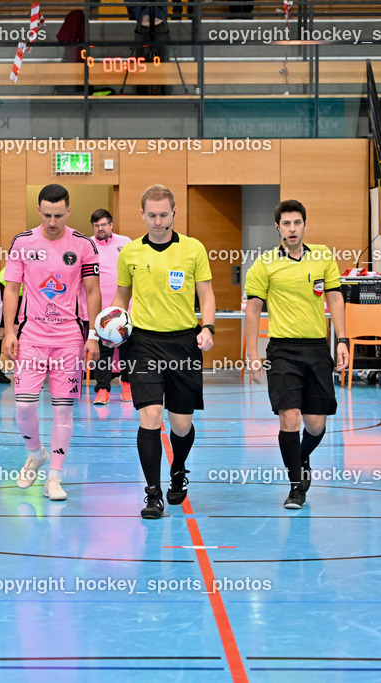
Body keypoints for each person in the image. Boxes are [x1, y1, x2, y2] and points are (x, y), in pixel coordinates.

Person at [110, 185, 215, 519]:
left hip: (183, 342)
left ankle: (178, 470)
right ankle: (152, 494)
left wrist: (208, 327)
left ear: (174, 213)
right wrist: (111, 323)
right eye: (151, 215)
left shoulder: (193, 249)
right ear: (142, 214)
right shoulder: (130, 253)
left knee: (181, 424)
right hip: (142, 343)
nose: (158, 221)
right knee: (150, 416)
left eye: (163, 215)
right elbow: (121, 296)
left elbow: (207, 294)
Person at [244, 199, 349, 510]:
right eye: (286, 224)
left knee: (316, 424)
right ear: (277, 227)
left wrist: (341, 340)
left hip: (317, 348)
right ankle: (295, 485)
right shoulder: (264, 264)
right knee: (289, 418)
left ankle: (301, 456)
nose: (292, 228)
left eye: (297, 223)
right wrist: (253, 353)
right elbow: (252, 312)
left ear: (305, 224)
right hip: (283, 350)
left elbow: (336, 299)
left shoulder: (322, 257)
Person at [3, 184, 101, 501]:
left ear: (69, 211)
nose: (52, 222)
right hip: (31, 336)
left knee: (63, 412)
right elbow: (11, 289)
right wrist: (9, 331)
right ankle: (36, 452)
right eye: (47, 215)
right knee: (24, 407)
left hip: (69, 339)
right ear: (39, 211)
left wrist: (94, 336)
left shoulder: (83, 245)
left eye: (58, 215)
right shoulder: (22, 242)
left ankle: (54, 477)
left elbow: (93, 291)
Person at [88, 208, 132, 404]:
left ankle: (128, 386)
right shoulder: (87, 244)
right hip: (100, 310)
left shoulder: (126, 243)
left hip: (125, 309)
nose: (100, 229)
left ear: (111, 225)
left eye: (103, 225)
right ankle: (102, 390)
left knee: (128, 350)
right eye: (96, 226)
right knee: (102, 352)